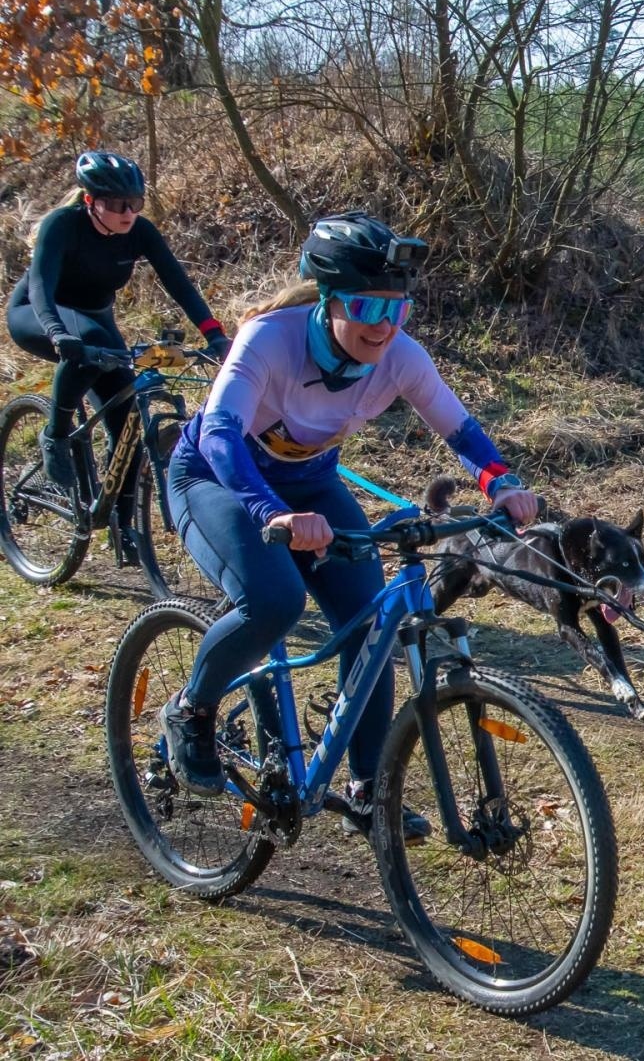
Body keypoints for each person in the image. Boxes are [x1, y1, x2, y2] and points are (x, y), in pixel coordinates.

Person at [160, 211, 542, 842]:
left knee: (369, 619)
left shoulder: (400, 357)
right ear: (330, 301)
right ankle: (192, 710)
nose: (383, 326)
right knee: (274, 601)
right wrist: (271, 514)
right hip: (213, 480)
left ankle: (367, 786)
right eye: (366, 307)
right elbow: (222, 436)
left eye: (398, 310)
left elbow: (460, 428)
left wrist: (500, 482)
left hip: (309, 486)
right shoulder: (269, 340)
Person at [6, 151, 232, 557]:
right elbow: (40, 286)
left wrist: (214, 335)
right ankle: (54, 435)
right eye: (117, 205)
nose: (128, 213)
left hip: (94, 322)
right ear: (91, 202)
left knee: (126, 418)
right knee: (89, 344)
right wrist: (57, 333)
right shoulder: (63, 225)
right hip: (38, 314)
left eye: (135, 203)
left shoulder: (140, 231)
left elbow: (178, 283)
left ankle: (121, 525)